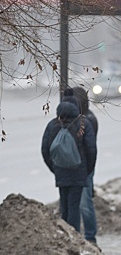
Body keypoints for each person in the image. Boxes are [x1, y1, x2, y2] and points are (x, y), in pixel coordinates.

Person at [41, 88, 97, 236]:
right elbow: (91, 150)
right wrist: (87, 170)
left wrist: (55, 167)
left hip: (60, 171)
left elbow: (45, 150)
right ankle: (74, 237)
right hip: (79, 172)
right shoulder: (84, 124)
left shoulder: (52, 125)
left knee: (64, 206)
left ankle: (64, 237)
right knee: (74, 206)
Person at [72, 86, 99, 245]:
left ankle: (90, 237)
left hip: (84, 166)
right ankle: (85, 236)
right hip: (83, 166)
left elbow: (89, 147)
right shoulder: (86, 117)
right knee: (80, 202)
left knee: (84, 203)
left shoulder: (87, 120)